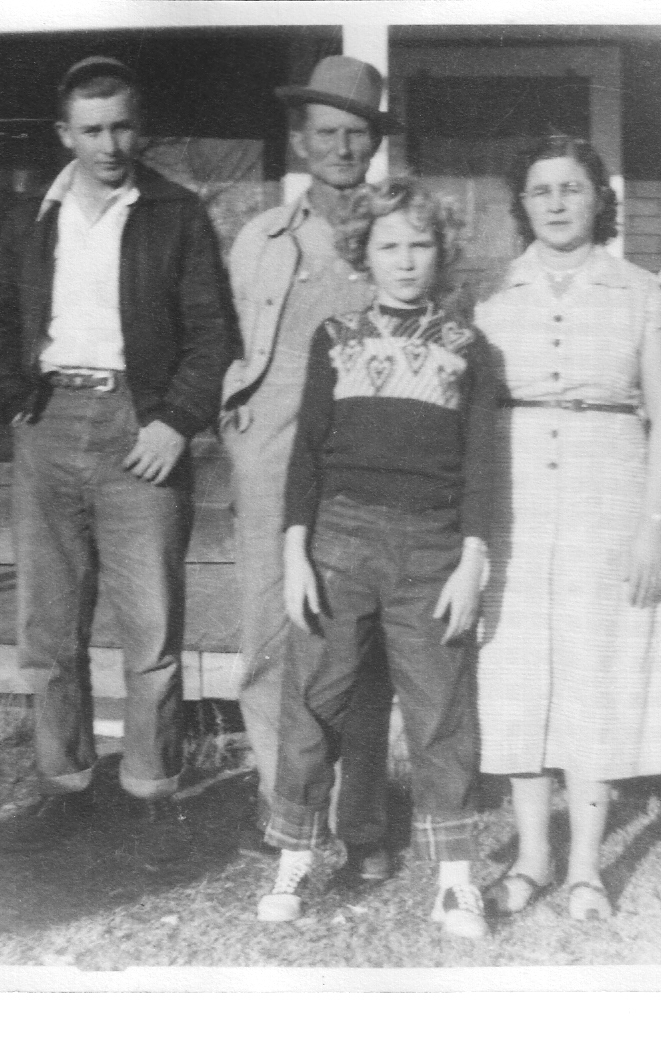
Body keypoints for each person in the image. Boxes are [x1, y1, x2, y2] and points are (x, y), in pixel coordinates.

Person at [0, 56, 238, 863]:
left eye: (122, 125)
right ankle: (63, 787)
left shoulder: (176, 213)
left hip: (140, 427)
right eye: (91, 129)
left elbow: (211, 336)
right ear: (65, 134)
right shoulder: (31, 216)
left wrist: (173, 423)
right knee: (49, 626)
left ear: (141, 125)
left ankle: (149, 793)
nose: (108, 143)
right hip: (49, 418)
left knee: (151, 627)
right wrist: (12, 401)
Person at [257, 179, 495, 939]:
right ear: (364, 254)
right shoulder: (336, 338)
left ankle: (456, 880)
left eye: (419, 244)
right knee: (315, 700)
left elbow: (485, 464)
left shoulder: (469, 347)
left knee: (440, 710)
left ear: (441, 253)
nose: (405, 259)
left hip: (432, 547)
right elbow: (306, 454)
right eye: (389, 245)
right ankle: (294, 854)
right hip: (339, 539)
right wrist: (296, 549)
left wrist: (473, 558)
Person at [473, 135, 661, 922]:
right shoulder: (491, 296)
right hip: (514, 498)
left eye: (573, 188)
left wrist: (652, 531)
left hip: (610, 492)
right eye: (541, 190)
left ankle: (585, 869)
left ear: (601, 197)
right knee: (519, 671)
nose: (558, 203)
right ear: (522, 204)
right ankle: (530, 860)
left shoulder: (645, 293)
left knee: (597, 669)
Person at [221, 56, 398, 879]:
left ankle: (361, 818)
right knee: (268, 628)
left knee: (355, 633)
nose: (340, 147)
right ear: (301, 140)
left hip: (363, 446)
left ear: (373, 143)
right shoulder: (260, 237)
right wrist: (236, 421)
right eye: (325, 132)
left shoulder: (397, 229)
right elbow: (227, 343)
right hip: (270, 445)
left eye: (356, 133)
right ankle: (279, 803)